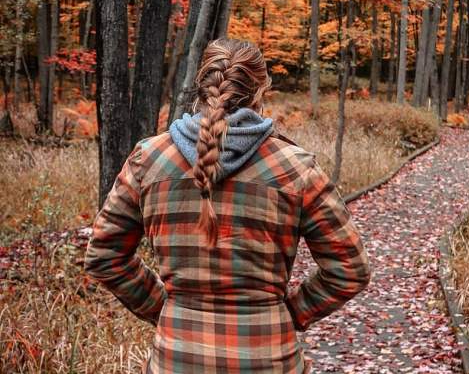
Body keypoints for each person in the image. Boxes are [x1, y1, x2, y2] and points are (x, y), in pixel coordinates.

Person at [84, 38, 371, 373]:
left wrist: (164, 308)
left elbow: (104, 256)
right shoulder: (295, 169)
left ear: (201, 85)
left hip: (176, 360)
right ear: (261, 90)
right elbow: (350, 270)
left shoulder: (148, 160)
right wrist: (292, 313)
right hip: (268, 359)